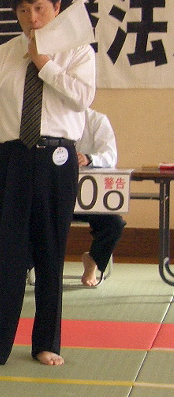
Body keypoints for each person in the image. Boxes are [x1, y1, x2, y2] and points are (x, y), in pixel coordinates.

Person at [0, 0, 96, 370]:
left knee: (51, 253)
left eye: (39, 8)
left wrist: (45, 65)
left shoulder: (78, 53)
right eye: (23, 10)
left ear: (56, 8)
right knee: (3, 255)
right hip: (11, 159)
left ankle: (46, 343)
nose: (32, 18)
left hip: (58, 160)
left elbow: (83, 98)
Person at [74, 108, 124, 286]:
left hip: (90, 199)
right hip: (55, 196)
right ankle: (27, 267)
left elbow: (110, 156)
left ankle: (92, 262)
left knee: (114, 224)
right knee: (32, 218)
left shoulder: (97, 120)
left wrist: (89, 159)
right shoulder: (50, 118)